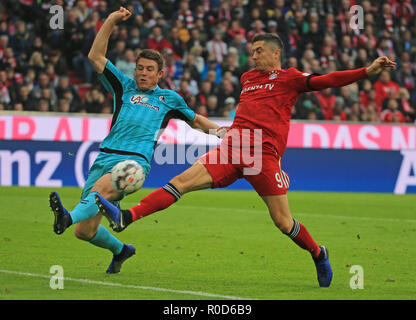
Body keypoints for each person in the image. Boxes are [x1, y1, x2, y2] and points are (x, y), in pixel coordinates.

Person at [95, 33, 396, 286]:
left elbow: (326, 80)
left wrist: (365, 71)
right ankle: (126, 217)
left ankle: (318, 253)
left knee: (282, 221)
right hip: (234, 144)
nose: (253, 57)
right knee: (180, 183)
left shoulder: (289, 78)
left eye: (258, 51)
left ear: (276, 53)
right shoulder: (248, 78)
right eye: (252, 52)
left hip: (262, 155)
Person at [49, 7, 221, 274]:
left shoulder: (168, 99)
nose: (143, 73)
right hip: (104, 157)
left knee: (100, 193)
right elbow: (95, 56)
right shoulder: (123, 86)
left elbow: (196, 120)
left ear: (160, 74)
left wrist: (223, 134)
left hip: (134, 163)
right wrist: (111, 20)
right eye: (140, 68)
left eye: (149, 69)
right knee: (85, 231)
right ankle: (121, 250)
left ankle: (66, 217)